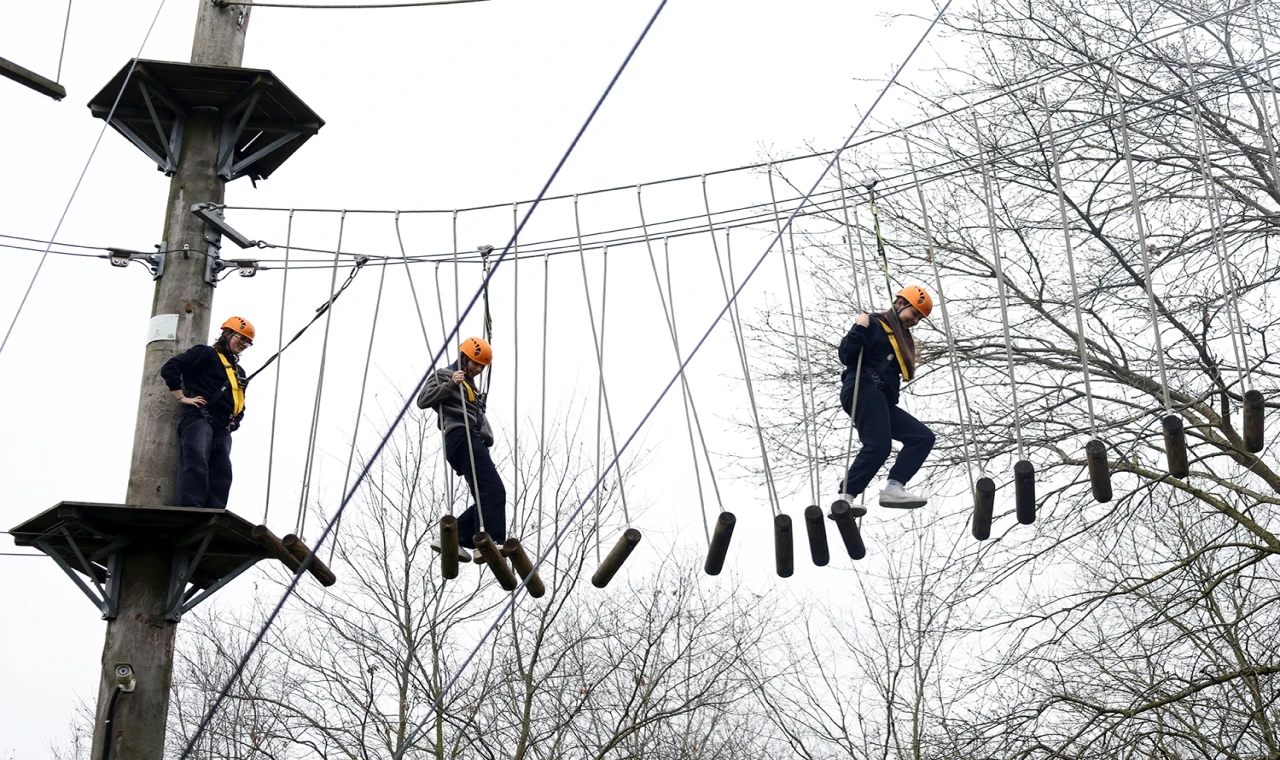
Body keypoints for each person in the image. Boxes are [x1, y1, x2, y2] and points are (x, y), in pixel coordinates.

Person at [837, 286, 936, 510]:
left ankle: (894, 487)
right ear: (900, 304)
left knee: (922, 437)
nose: (916, 321)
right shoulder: (873, 324)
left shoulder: (900, 337)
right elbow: (846, 355)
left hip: (880, 398)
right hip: (863, 388)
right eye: (915, 314)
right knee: (879, 446)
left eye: (920, 318)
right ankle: (845, 497)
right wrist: (858, 328)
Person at [418, 337, 506, 563]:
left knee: (486, 496)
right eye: (475, 363)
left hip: (471, 440)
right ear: (464, 357)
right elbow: (423, 400)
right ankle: (489, 542)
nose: (477, 369)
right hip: (461, 437)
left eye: (481, 367)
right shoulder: (446, 375)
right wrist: (451, 385)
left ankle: (452, 538)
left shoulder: (470, 385)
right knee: (494, 490)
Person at [160, 316, 254, 510]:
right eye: (241, 338)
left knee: (222, 472)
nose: (244, 344)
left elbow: (239, 401)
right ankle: (191, 509)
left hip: (223, 425)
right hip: (199, 416)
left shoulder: (238, 372)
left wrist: (237, 420)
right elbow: (171, 367)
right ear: (227, 334)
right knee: (196, 462)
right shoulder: (206, 354)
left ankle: (214, 512)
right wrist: (181, 397)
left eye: (248, 342)